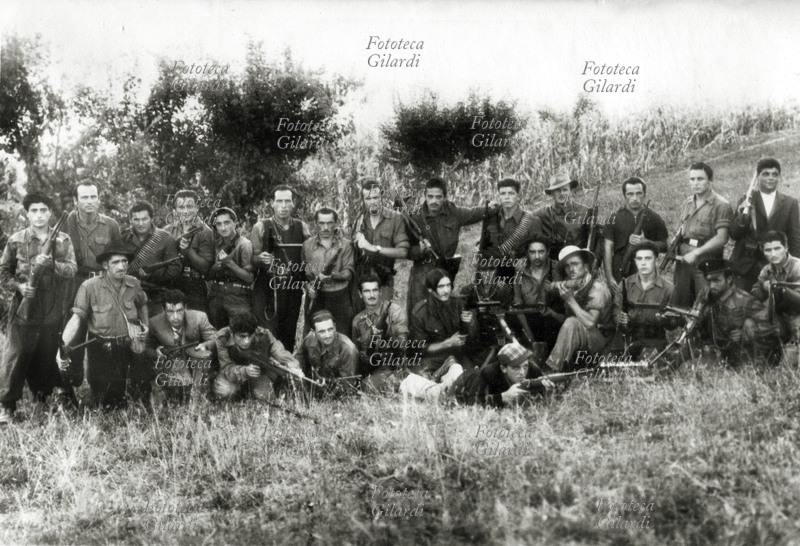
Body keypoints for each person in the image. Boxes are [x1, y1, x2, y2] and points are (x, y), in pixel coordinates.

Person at [0, 193, 77, 423]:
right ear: (27, 213)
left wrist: (52, 265)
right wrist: (21, 287)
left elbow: (72, 269)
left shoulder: (63, 239)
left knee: (45, 352)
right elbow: (4, 272)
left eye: (43, 210)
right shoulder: (17, 240)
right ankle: (6, 405)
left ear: (50, 212)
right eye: (34, 210)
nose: (39, 215)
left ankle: (42, 399)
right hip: (25, 304)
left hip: (53, 303)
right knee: (18, 353)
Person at [59, 244, 150, 408]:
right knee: (108, 402)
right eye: (116, 262)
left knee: (139, 395)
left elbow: (142, 303)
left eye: (125, 261)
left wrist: (146, 327)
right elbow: (77, 318)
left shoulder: (134, 284)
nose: (122, 266)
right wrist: (63, 346)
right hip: (102, 350)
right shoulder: (89, 287)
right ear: (105, 265)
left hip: (129, 347)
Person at [60, 180, 121, 390]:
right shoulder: (66, 223)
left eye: (93, 196)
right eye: (84, 197)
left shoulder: (111, 225)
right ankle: (68, 388)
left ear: (99, 199)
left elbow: (118, 260)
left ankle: (101, 390)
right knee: (73, 336)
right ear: (76, 201)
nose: (89, 201)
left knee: (101, 337)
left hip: (102, 285)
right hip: (74, 284)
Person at [406, 177, 488, 312]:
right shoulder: (414, 217)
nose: (434, 201)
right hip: (422, 273)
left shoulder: (453, 213)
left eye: (438, 197)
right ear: (424, 196)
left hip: (445, 271)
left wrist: (491, 208)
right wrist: (420, 250)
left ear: (444, 197)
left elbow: (474, 213)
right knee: (419, 313)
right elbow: (406, 250)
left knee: (443, 312)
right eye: (430, 196)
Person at [250, 185, 311, 350]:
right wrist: (260, 259)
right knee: (266, 335)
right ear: (272, 204)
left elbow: (309, 258)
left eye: (287, 201)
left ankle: (286, 374)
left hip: (292, 288)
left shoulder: (302, 228)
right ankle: (265, 373)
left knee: (288, 334)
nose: (283, 206)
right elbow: (252, 259)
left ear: (293, 204)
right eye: (279, 201)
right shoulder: (261, 227)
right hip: (267, 288)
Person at [688, 258, 780, 365]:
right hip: (716, 349)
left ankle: (758, 365)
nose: (712, 286)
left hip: (740, 352)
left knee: (749, 324)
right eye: (708, 281)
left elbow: (771, 326)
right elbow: (695, 317)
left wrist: (744, 334)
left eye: (716, 281)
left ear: (729, 279)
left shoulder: (744, 299)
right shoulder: (706, 294)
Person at [400, 342, 553, 405]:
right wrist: (503, 397)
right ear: (504, 368)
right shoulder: (489, 374)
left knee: (456, 371)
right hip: (463, 386)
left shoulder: (531, 368)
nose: (522, 372)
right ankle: (407, 379)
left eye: (524, 366)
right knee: (436, 393)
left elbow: (540, 392)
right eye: (516, 368)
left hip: (469, 375)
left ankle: (452, 366)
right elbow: (470, 402)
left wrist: (548, 390)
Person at [729, 158, 800, 291]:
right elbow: (734, 234)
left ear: (779, 177)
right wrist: (741, 215)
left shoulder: (790, 203)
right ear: (758, 177)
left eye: (775, 174)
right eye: (765, 174)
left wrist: (793, 267)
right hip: (746, 267)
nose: (770, 178)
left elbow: (795, 239)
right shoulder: (747, 199)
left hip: (775, 267)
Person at [671, 162, 733, 308]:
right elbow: (683, 226)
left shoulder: (721, 205)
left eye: (700, 179)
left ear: (710, 181)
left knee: (705, 301)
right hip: (683, 260)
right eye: (692, 179)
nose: (695, 183)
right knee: (681, 300)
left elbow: (721, 238)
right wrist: (677, 236)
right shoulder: (688, 202)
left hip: (705, 261)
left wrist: (697, 253)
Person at [544, 246, 612, 372]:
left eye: (575, 264)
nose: (571, 269)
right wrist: (552, 314)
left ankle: (551, 371)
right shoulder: (577, 287)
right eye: (567, 265)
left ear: (586, 267)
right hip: (588, 339)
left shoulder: (597, 288)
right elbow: (572, 322)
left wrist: (570, 301)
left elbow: (590, 323)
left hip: (604, 343)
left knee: (572, 323)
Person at [145, 289, 217, 403]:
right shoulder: (154, 323)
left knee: (201, 359)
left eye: (179, 311)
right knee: (158, 401)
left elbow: (215, 339)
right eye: (170, 311)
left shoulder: (199, 317)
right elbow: (146, 347)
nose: (175, 317)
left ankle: (197, 397)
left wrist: (205, 346)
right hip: (170, 363)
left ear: (186, 308)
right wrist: (155, 352)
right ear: (163, 310)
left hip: (195, 363)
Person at [212, 312, 303, 401]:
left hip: (258, 374)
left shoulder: (263, 334)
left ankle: (249, 391)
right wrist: (245, 371)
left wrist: (291, 363)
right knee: (224, 392)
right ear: (232, 333)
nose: (246, 341)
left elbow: (278, 350)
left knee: (264, 397)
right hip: (231, 375)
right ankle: (240, 392)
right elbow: (226, 367)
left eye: (250, 336)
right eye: (242, 336)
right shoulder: (223, 338)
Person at [409, 268, 478, 379]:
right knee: (420, 377)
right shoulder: (420, 312)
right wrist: (448, 343)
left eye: (448, 285)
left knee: (471, 377)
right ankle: (439, 374)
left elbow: (472, 338)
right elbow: (421, 348)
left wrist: (471, 323)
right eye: (441, 287)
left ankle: (444, 373)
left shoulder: (458, 303)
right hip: (434, 358)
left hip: (458, 355)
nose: (446, 290)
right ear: (430, 289)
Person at [611, 242, 676, 357]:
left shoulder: (668, 289)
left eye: (648, 258)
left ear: (656, 260)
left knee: (647, 364)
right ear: (635, 261)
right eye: (639, 259)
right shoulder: (625, 285)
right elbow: (616, 312)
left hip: (654, 341)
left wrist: (666, 320)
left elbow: (674, 325)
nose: (643, 263)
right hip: (628, 339)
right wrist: (620, 319)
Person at [352, 178, 409, 305]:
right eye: (368, 198)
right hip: (362, 278)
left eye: (375, 197)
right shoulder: (359, 219)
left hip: (384, 279)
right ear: (363, 200)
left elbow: (403, 252)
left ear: (381, 196)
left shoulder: (395, 218)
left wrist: (374, 248)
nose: (372, 202)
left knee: (382, 318)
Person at [603, 177, 668, 285]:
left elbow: (665, 246)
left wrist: (646, 242)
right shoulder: (614, 218)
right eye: (630, 194)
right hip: (619, 267)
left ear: (644, 194)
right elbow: (607, 248)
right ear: (624, 195)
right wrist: (610, 278)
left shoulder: (654, 217)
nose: (635, 198)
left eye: (639, 193)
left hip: (646, 267)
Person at [351, 274, 411, 391]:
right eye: (367, 291)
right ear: (360, 294)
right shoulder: (357, 321)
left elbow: (403, 345)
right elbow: (356, 352)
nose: (372, 295)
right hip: (371, 367)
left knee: (369, 386)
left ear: (380, 292)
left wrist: (386, 340)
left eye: (375, 290)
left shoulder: (394, 311)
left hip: (392, 365)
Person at [302, 207, 355, 337]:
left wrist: (331, 276)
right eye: (321, 223)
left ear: (335, 223)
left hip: (340, 298)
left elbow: (348, 272)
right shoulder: (307, 246)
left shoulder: (345, 245)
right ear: (315, 224)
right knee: (313, 338)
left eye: (329, 223)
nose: (325, 227)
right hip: (317, 299)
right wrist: (309, 288)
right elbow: (304, 274)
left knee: (343, 338)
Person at [121, 201, 180, 317]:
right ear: (130, 220)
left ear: (152, 219)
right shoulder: (123, 238)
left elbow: (175, 269)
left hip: (155, 295)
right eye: (136, 220)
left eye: (144, 219)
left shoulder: (165, 238)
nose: (141, 223)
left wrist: (151, 275)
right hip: (128, 295)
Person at [510, 237, 565, 356]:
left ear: (548, 252)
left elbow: (566, 303)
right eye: (532, 252)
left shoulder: (557, 269)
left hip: (552, 319)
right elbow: (517, 303)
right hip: (529, 318)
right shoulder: (520, 270)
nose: (537, 256)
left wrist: (554, 291)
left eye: (541, 252)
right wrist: (529, 336)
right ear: (527, 253)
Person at [163, 190, 214, 313]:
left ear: (197, 208)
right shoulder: (168, 230)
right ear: (175, 211)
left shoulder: (205, 232)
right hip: (172, 284)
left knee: (195, 324)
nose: (185, 211)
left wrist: (187, 250)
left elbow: (205, 267)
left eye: (190, 206)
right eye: (181, 207)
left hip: (195, 285)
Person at [537, 166, 602, 262]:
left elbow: (598, 240)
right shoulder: (542, 215)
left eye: (565, 190)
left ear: (570, 191)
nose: (562, 193)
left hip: (579, 263)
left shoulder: (585, 212)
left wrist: (594, 262)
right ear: (552, 193)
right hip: (554, 265)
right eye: (557, 190)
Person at [481, 178, 542, 278]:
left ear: (518, 196)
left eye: (511, 193)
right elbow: (485, 246)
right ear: (499, 196)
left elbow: (540, 250)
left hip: (521, 274)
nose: (506, 197)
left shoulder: (532, 221)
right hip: (495, 272)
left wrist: (526, 259)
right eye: (503, 194)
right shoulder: (492, 218)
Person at [206, 207, 255, 329]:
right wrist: (214, 268)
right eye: (219, 224)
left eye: (227, 223)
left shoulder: (244, 244)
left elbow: (249, 278)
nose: (223, 228)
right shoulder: (215, 245)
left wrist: (229, 263)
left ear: (235, 223)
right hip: (216, 296)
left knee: (241, 334)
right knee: (216, 337)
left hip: (238, 298)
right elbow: (207, 275)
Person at [750, 231, 800, 342]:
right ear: (763, 251)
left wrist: (782, 290)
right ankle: (764, 355)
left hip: (797, 316)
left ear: (786, 248)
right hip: (779, 315)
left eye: (777, 248)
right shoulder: (767, 269)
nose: (773, 254)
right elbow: (755, 291)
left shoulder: (798, 267)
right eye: (768, 250)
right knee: (750, 325)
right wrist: (764, 287)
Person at [296, 310, 360, 396]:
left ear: (335, 327)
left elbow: (347, 386)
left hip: (334, 392)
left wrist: (325, 394)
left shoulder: (348, 349)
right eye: (322, 332)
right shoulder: (310, 339)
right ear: (313, 331)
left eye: (330, 329)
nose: (328, 335)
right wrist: (299, 380)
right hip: (312, 384)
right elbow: (299, 358)